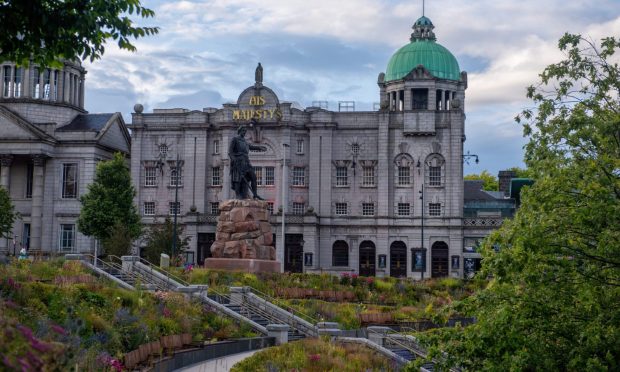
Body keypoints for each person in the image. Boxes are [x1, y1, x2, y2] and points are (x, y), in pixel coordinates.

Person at [228, 123, 267, 199]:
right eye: (243, 131)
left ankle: (255, 194)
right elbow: (230, 152)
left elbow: (251, 147)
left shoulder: (245, 141)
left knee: (253, 177)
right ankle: (238, 195)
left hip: (246, 161)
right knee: (238, 178)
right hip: (238, 161)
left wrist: (259, 148)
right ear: (239, 131)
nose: (244, 132)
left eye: (245, 131)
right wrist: (234, 160)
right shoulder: (235, 139)